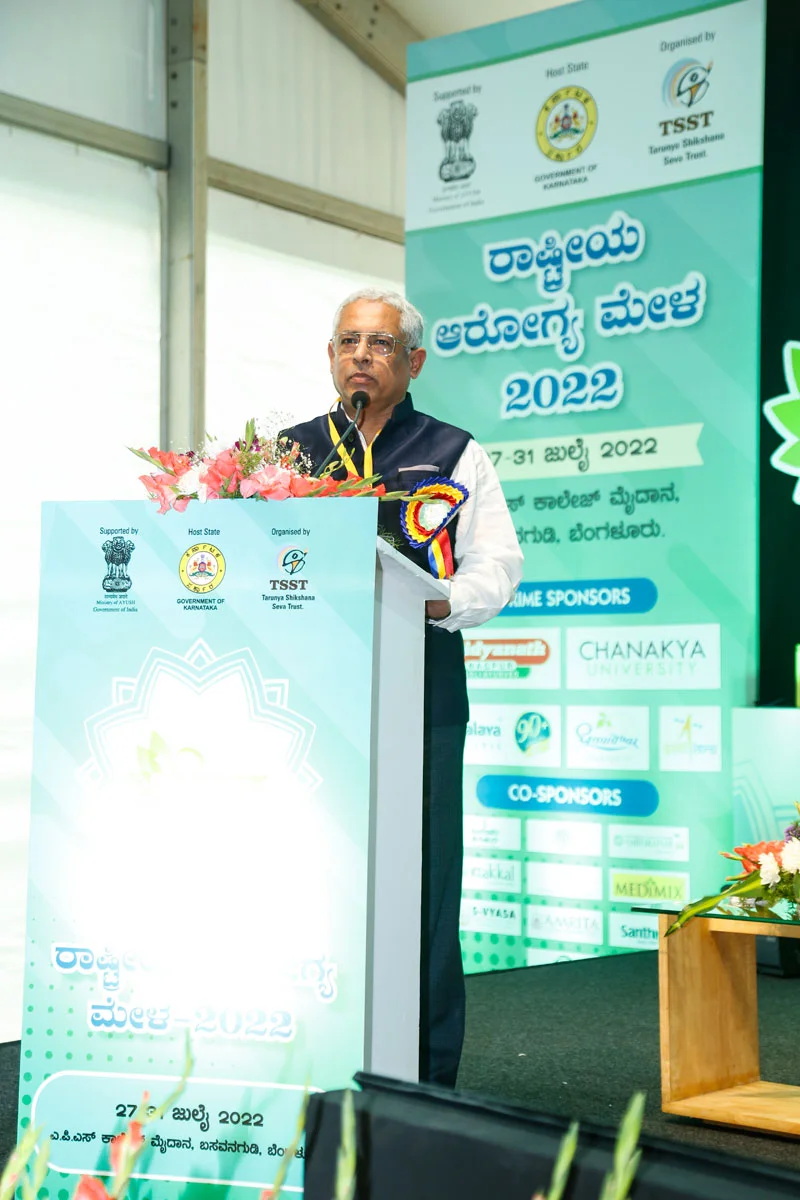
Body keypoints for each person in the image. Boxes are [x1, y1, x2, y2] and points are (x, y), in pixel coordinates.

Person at [281, 288, 523, 1087]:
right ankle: (308, 1053)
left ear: (413, 361)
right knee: (306, 871)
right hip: (305, 696)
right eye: (348, 341)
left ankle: (426, 1076)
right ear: (330, 355)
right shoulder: (285, 456)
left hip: (421, 693)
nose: (361, 356)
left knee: (424, 881)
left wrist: (441, 601)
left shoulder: (454, 451)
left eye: (380, 344)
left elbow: (497, 563)